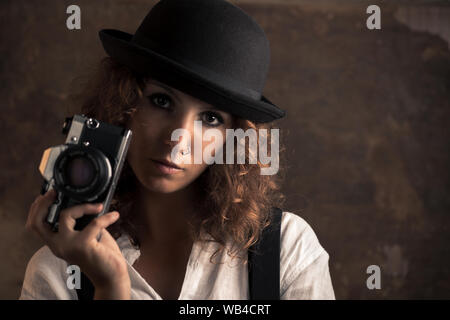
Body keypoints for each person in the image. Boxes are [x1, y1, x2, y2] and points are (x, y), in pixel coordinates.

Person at [19, 0, 335, 300]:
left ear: (233, 137)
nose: (178, 139)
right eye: (161, 101)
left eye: (210, 118)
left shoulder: (286, 251)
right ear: (124, 104)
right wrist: (109, 286)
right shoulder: (58, 272)